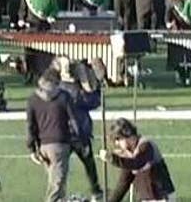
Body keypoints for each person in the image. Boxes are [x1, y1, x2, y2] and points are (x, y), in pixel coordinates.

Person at [26, 69, 79, 202]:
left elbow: (30, 126)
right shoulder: (64, 96)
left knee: (54, 181)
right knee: (57, 185)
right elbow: (73, 121)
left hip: (43, 146)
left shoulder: (33, 99)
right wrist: (77, 139)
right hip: (60, 144)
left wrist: (32, 148)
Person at [54, 57, 103, 200]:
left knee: (61, 169)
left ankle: (57, 195)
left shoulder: (58, 87)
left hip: (63, 133)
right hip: (79, 134)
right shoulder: (75, 90)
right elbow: (93, 102)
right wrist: (97, 85)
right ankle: (96, 192)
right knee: (89, 166)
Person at [99, 118, 176, 202]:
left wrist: (112, 158)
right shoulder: (129, 155)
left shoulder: (146, 146)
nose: (117, 143)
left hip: (162, 197)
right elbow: (123, 185)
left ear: (126, 134)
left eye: (118, 139)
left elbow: (137, 163)